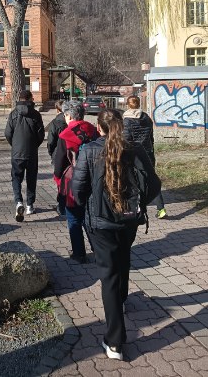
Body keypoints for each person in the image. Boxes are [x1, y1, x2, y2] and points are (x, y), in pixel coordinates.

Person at [71, 109, 161, 361]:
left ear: (98, 128)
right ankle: (121, 300)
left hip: (101, 223)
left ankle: (115, 342)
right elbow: (154, 184)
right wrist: (139, 203)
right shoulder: (135, 149)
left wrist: (86, 205)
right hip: (129, 219)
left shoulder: (89, 151)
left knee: (109, 274)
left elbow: (77, 189)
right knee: (123, 257)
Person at [53, 101, 98, 262]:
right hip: (93, 179)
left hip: (73, 181)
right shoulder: (93, 130)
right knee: (90, 215)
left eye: (65, 115)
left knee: (73, 217)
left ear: (69, 115)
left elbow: (59, 163)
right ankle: (98, 250)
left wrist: (58, 178)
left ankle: (79, 253)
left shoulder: (65, 135)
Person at [123, 95, 167, 219]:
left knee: (135, 182)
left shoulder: (126, 120)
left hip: (134, 154)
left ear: (128, 105)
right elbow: (151, 137)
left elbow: (126, 139)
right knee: (151, 179)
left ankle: (139, 209)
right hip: (148, 152)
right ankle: (161, 208)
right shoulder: (147, 118)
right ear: (139, 104)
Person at [5, 90, 45, 221]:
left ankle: (18, 202)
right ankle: (29, 205)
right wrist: (34, 145)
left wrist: (14, 145)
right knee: (31, 178)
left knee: (16, 178)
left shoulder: (13, 113)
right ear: (30, 98)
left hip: (17, 152)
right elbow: (41, 134)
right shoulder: (36, 114)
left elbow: (8, 133)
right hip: (31, 153)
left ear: (20, 98)